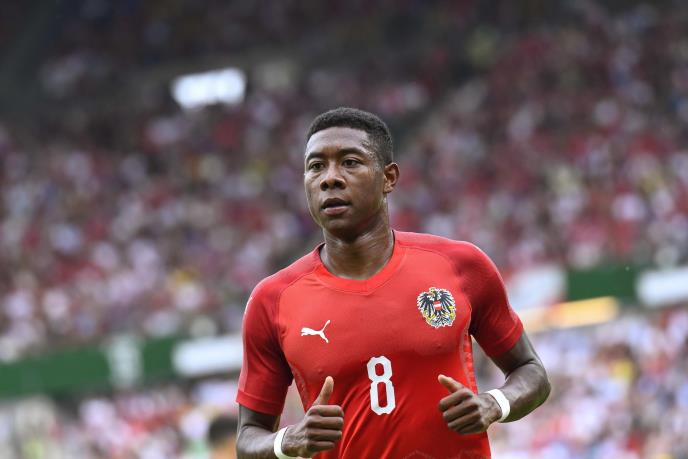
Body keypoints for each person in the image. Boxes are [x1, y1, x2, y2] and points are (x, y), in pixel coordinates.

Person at [235, 107, 550, 458]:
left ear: (389, 178)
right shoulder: (272, 300)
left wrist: (495, 403)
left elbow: (531, 372)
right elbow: (248, 438)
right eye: (316, 166)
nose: (330, 178)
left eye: (349, 162)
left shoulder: (461, 265)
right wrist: (287, 441)